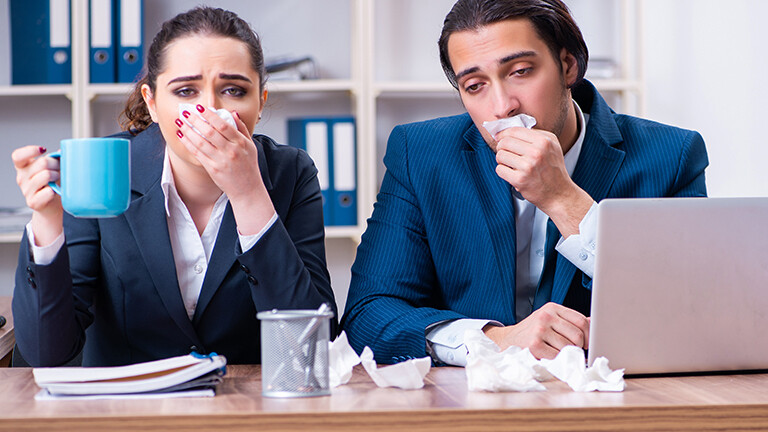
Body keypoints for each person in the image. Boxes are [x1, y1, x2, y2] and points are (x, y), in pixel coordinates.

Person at [341, 0, 708, 366]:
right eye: (474, 85)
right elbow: (367, 316)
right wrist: (491, 340)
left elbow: (695, 315)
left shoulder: (671, 156)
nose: (502, 107)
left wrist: (564, 200)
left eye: (520, 71)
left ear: (567, 65)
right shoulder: (421, 154)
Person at [11, 7, 336, 367]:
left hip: (245, 411)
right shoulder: (105, 168)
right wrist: (46, 223)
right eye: (185, 91)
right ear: (151, 102)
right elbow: (46, 353)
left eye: (233, 90)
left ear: (259, 102)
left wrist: (249, 194)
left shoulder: (291, 173)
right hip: (125, 413)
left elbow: (311, 350)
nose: (209, 109)